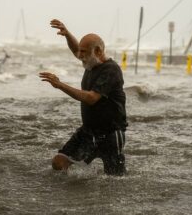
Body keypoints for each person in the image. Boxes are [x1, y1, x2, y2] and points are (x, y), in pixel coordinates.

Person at [39, 19, 128, 176]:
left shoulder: (111, 70)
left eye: (84, 52)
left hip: (111, 134)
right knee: (59, 163)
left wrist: (60, 85)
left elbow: (91, 98)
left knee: (114, 181)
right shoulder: (90, 62)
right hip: (88, 131)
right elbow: (76, 50)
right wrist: (67, 34)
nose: (79, 56)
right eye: (80, 52)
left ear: (99, 51)